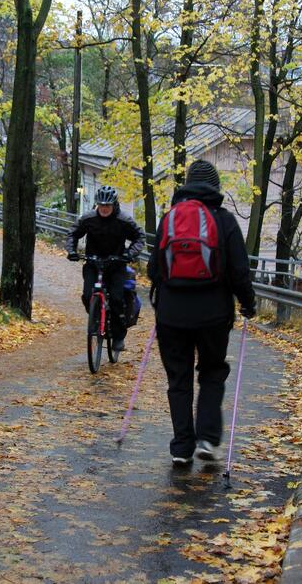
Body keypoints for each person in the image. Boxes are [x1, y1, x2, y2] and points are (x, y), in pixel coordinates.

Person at [147, 160, 255, 466]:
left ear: (187, 185)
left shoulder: (170, 218)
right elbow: (239, 270)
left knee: (178, 379)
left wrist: (163, 295)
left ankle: (181, 448)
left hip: (171, 315)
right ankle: (207, 439)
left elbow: (154, 268)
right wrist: (248, 303)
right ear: (216, 188)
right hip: (213, 315)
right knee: (211, 372)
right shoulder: (225, 220)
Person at [66, 185, 146, 351]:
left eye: (107, 206)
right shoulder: (88, 219)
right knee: (88, 295)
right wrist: (72, 250)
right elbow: (73, 233)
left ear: (114, 205)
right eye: (101, 205)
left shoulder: (123, 221)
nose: (104, 209)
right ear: (97, 205)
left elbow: (139, 237)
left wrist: (130, 253)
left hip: (116, 265)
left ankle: (118, 336)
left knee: (117, 299)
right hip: (93, 263)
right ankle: (95, 318)